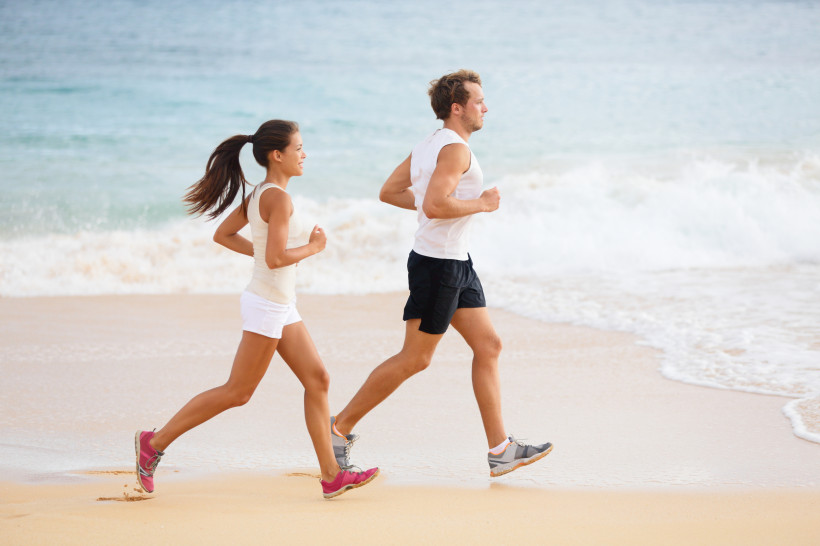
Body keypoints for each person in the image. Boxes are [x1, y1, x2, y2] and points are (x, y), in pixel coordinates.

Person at [135, 120, 379, 499]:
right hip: (268, 303)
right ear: (276, 155)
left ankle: (332, 475)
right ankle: (154, 442)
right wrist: (312, 249)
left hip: (279, 302)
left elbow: (226, 235)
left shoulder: (261, 193)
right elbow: (277, 256)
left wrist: (267, 259)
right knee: (238, 391)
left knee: (318, 379)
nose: (304, 154)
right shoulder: (277, 198)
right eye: (298, 147)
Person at [330, 70, 552, 478]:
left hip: (455, 261)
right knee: (415, 359)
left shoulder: (428, 144)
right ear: (457, 107)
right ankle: (338, 429)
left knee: (488, 345)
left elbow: (391, 192)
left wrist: (435, 208)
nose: (486, 107)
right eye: (479, 101)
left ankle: (500, 450)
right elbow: (434, 205)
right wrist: (482, 204)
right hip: (439, 265)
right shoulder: (454, 150)